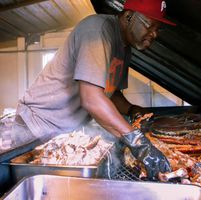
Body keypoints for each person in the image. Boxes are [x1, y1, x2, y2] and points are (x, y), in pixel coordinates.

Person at [10, 0, 176, 180]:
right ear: (129, 17)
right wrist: (139, 144)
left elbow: (109, 92)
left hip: (64, 132)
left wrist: (130, 109)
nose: (154, 34)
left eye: (158, 29)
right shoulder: (98, 30)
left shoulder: (124, 48)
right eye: (150, 25)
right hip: (38, 127)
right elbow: (92, 98)